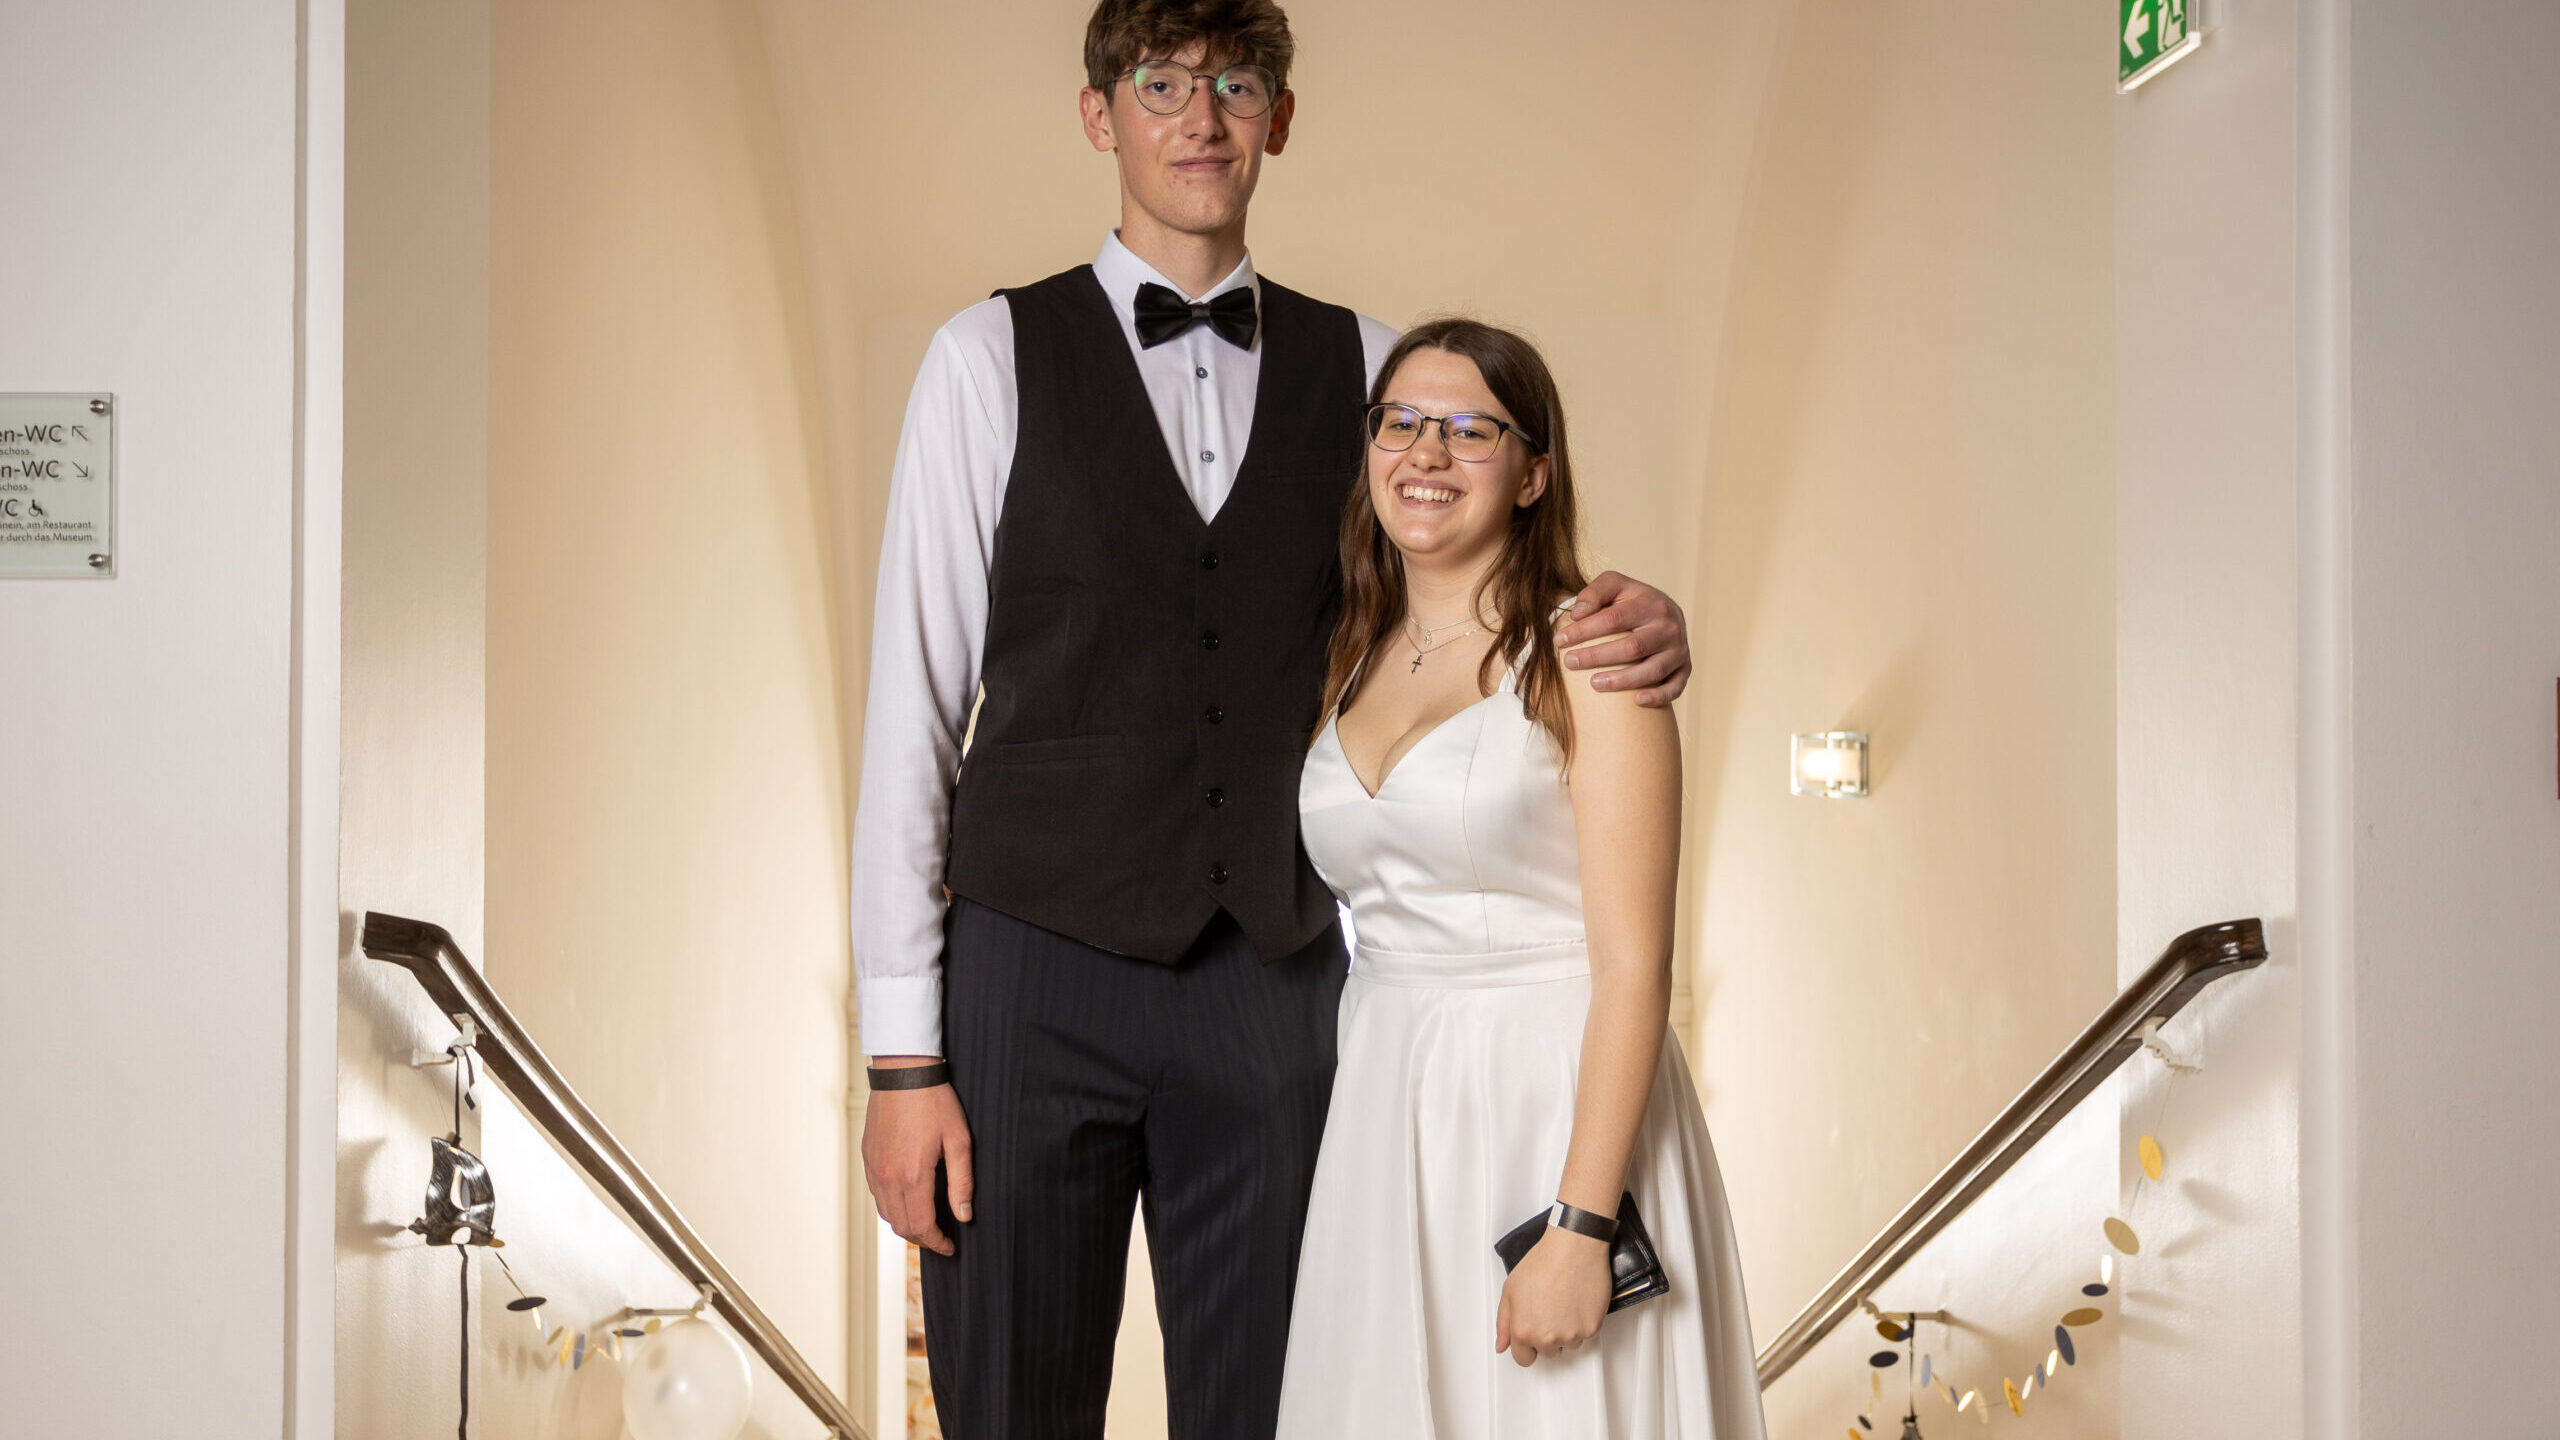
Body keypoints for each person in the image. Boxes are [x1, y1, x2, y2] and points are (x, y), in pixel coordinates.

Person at [851, 3, 1694, 1435]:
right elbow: (912, 718)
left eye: (1235, 85)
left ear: (1279, 121)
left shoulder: (1372, 373)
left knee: (1288, 1413)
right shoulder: (984, 358)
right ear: (1099, 114)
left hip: (1276, 983)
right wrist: (902, 1058)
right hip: (1026, 981)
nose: (1200, 117)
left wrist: (1638, 615)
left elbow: (1463, 584)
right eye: (1161, 83)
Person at [1275, 320, 1765, 1438]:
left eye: (1470, 430)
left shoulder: (1592, 658)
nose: (1426, 453)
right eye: (1400, 423)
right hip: (1384, 1109)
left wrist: (1582, 1226)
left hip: (1549, 1100)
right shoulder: (1346, 654)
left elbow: (1635, 966)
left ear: (1534, 473)